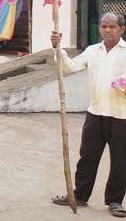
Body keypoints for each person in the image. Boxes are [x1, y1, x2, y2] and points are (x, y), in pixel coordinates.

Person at [51, 13, 126, 217]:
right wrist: (58, 48)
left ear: (121, 29)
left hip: (121, 115)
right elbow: (70, 66)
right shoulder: (93, 51)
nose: (107, 30)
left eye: (112, 26)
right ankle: (80, 194)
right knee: (87, 157)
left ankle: (115, 200)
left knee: (120, 160)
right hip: (95, 112)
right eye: (103, 26)